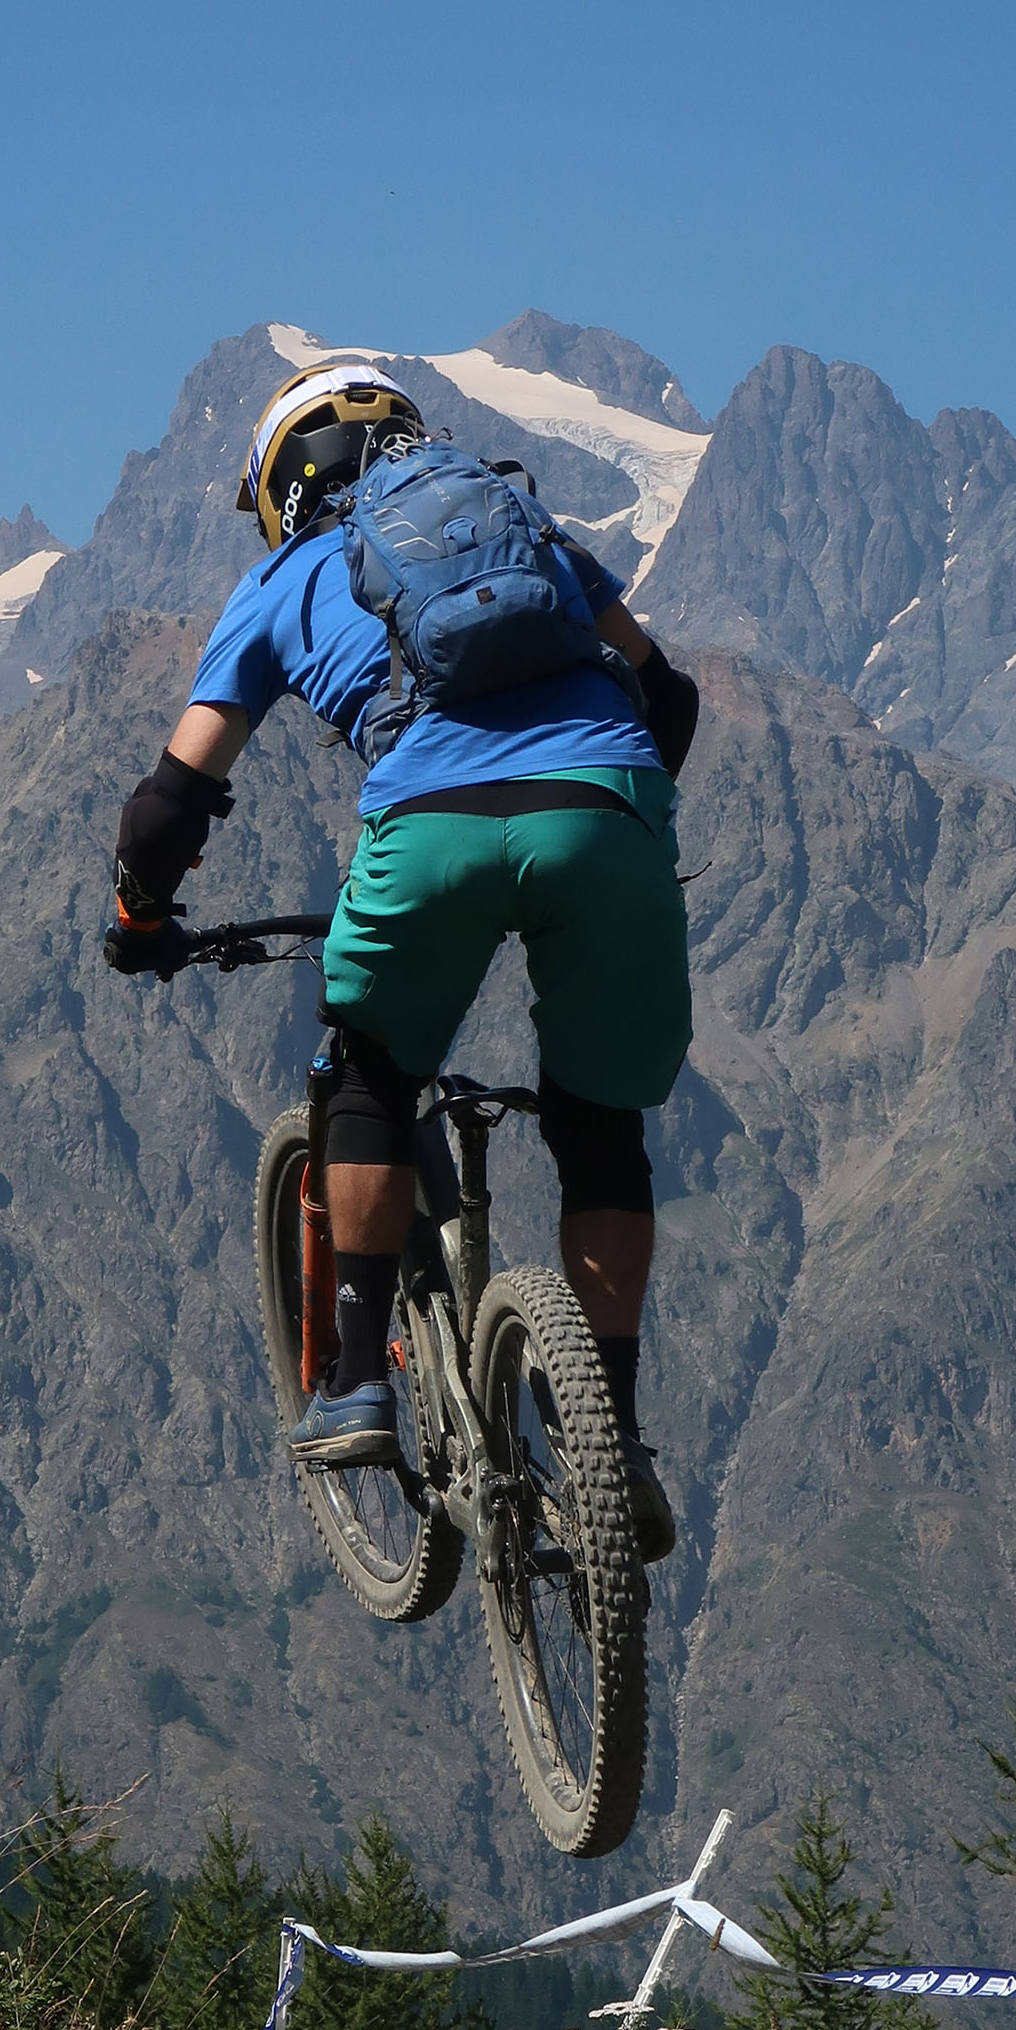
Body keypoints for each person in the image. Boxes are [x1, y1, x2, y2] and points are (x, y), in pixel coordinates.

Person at [106, 360, 699, 1560]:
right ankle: (613, 1437)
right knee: (598, 1125)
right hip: (608, 807)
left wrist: (141, 915)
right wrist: (596, 823)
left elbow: (175, 794)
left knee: (370, 1076)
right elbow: (666, 697)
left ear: (282, 482)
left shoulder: (276, 580)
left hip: (428, 819)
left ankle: (356, 1383)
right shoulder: (521, 525)